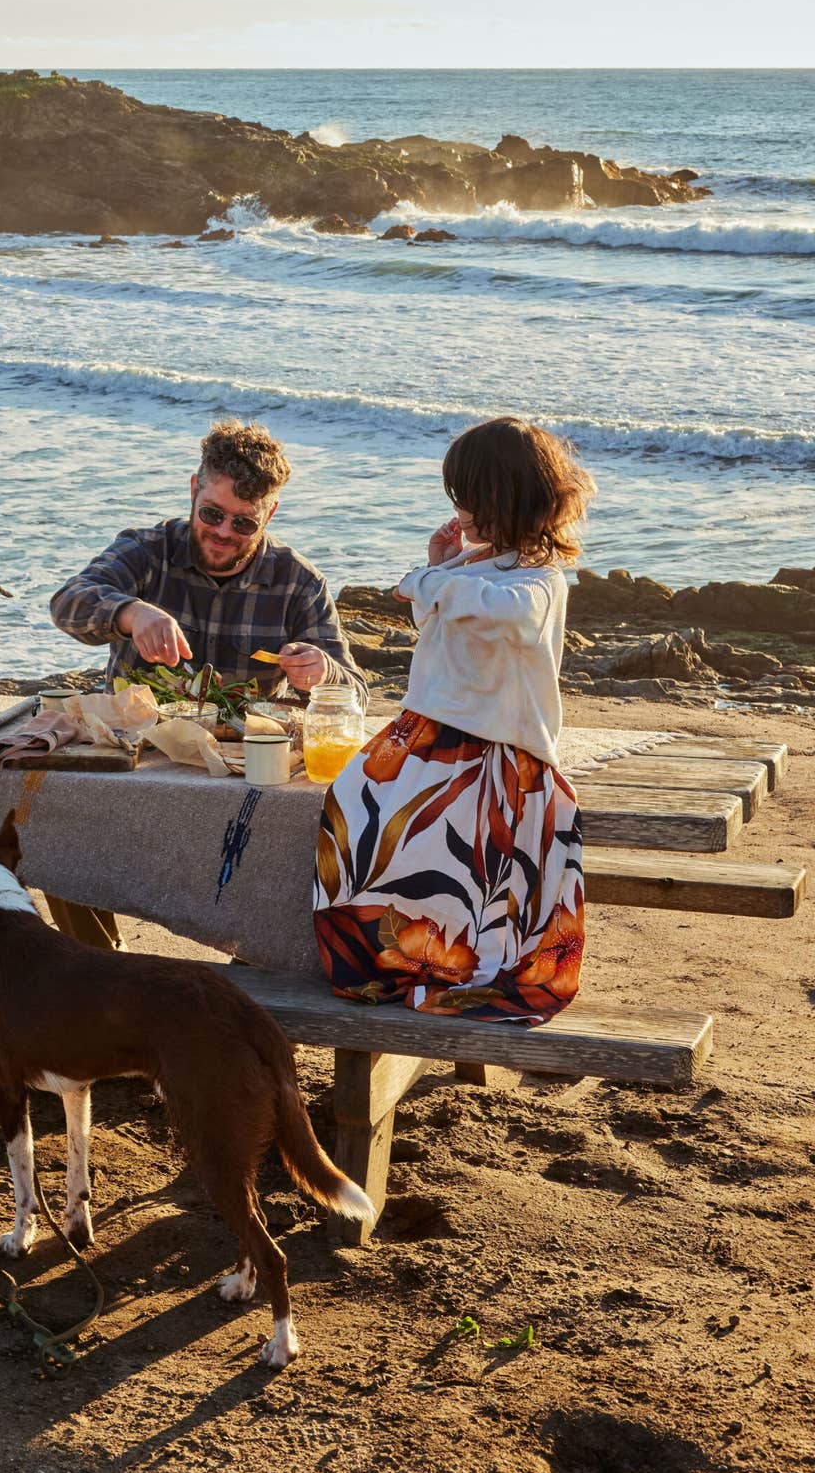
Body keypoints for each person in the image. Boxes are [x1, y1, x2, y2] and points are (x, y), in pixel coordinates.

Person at [311, 417, 595, 1023]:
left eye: (469, 498)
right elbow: (440, 626)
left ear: (504, 497)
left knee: (446, 852)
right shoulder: (479, 565)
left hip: (494, 752)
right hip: (429, 731)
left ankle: (452, 962)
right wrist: (443, 567)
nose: (460, 510)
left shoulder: (539, 582)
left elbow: (501, 612)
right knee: (349, 804)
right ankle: (388, 958)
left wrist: (431, 578)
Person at [49, 418, 367, 704]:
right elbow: (67, 603)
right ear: (193, 491)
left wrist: (324, 675)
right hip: (135, 748)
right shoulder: (147, 550)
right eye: (211, 513)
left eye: (244, 523)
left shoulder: (300, 583)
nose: (223, 532)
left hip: (243, 758)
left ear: (269, 515)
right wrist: (130, 614)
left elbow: (357, 695)